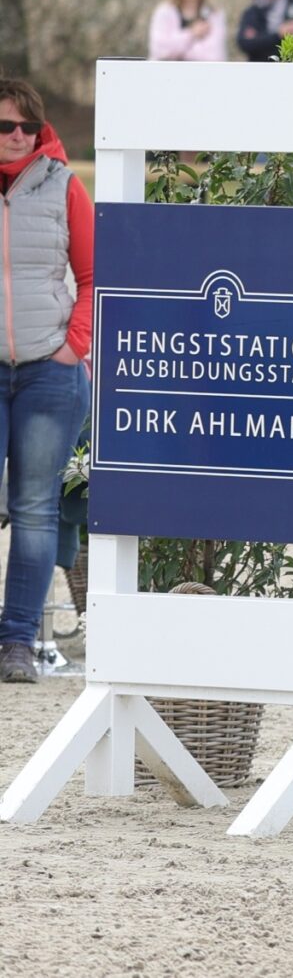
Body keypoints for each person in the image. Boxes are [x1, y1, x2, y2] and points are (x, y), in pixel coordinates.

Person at [0, 78, 91, 685]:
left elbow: (95, 274)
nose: (18, 136)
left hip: (48, 373)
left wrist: (72, 347)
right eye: (6, 126)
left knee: (34, 509)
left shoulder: (64, 185)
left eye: (27, 127)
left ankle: (17, 644)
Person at [147, 0, 227, 62]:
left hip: (201, 69)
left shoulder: (214, 14)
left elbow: (214, 55)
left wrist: (176, 49)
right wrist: (192, 34)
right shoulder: (164, 12)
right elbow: (160, 51)